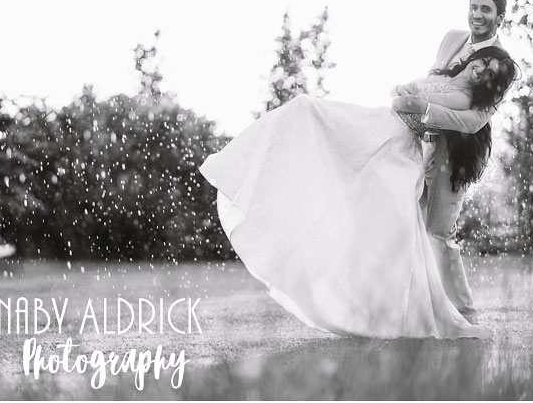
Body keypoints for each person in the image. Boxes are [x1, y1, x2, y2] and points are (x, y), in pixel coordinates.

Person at [198, 47, 515, 338]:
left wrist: (410, 95)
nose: (482, 70)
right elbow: (400, 95)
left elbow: (410, 104)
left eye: (490, 73)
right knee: (306, 111)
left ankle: (384, 311)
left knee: (398, 232)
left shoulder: (461, 96)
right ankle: (242, 169)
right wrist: (405, 91)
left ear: (490, 84)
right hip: (384, 127)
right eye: (484, 61)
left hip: (398, 141)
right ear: (475, 57)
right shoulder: (445, 78)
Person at [391, 0, 516, 324]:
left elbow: (476, 120)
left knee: (439, 233)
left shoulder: (504, 66)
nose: (477, 14)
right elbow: (435, 78)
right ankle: (416, 311)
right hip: (423, 145)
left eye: (486, 10)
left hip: (457, 155)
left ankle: (464, 315)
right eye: (474, 7)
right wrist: (411, 90)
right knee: (411, 228)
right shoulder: (452, 38)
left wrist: (427, 109)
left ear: (499, 18)